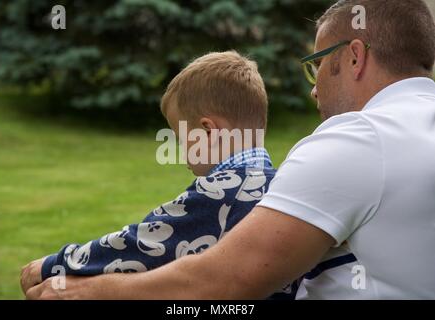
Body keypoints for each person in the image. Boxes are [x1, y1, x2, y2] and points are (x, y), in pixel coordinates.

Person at [25, 0, 435, 299]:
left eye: (317, 64)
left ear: (354, 57)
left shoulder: (356, 140)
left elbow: (229, 280)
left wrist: (85, 290)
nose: (313, 87)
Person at [21, 51, 297, 299]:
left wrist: (55, 263)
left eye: (181, 138)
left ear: (208, 131)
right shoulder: (284, 185)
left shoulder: (223, 191)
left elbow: (140, 245)